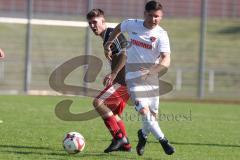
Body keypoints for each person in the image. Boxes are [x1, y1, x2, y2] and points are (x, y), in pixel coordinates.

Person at [104, 0, 175, 156]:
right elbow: (119, 27)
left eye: (157, 16)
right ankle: (164, 142)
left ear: (161, 16)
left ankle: (142, 135)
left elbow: (166, 59)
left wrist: (153, 70)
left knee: (152, 117)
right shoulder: (132, 24)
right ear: (144, 14)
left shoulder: (161, 35)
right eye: (150, 15)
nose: (153, 19)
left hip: (151, 79)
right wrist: (109, 42)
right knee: (143, 111)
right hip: (133, 78)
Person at [86, 9, 131, 153]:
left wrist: (113, 73)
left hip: (125, 81)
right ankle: (126, 145)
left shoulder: (111, 34)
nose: (93, 25)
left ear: (103, 21)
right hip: (127, 80)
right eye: (90, 23)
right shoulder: (107, 37)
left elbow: (125, 52)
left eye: (95, 22)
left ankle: (119, 137)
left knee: (98, 102)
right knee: (114, 113)